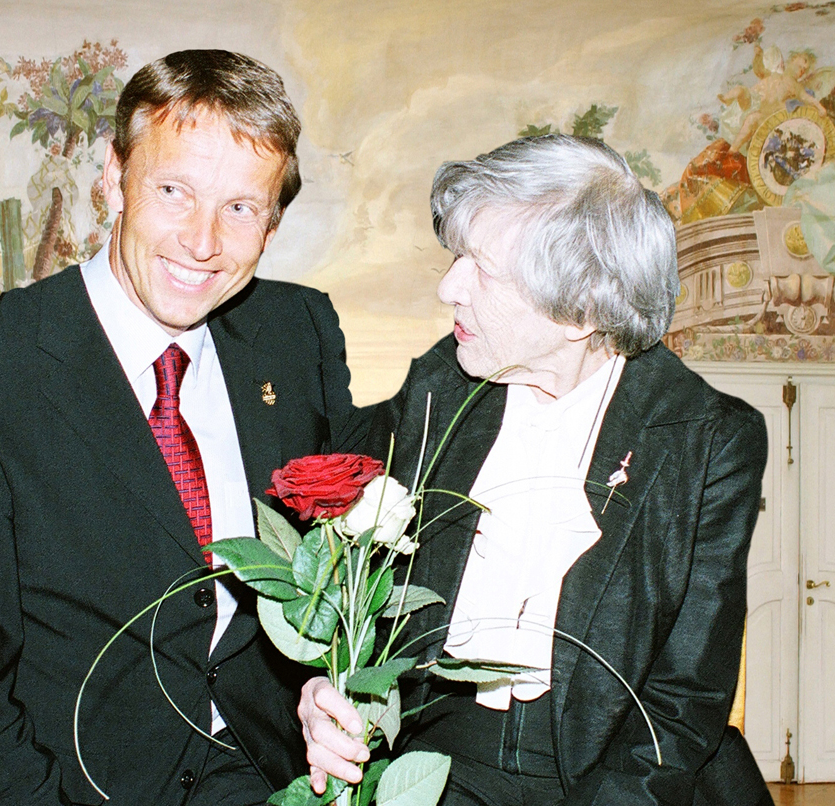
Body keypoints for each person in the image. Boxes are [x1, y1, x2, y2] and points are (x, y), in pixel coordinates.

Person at [0, 49, 365, 806]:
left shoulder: (297, 331)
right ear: (112, 178)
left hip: (271, 776)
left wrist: (324, 691)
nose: (202, 241)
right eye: (174, 190)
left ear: (273, 223)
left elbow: (339, 569)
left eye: (241, 207)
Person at [298, 135, 772, 805]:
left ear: (580, 310)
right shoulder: (439, 386)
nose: (448, 286)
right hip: (433, 767)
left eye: (481, 268)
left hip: (616, 782)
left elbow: (684, 700)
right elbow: (362, 600)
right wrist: (324, 690)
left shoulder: (705, 439)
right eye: (456, 256)